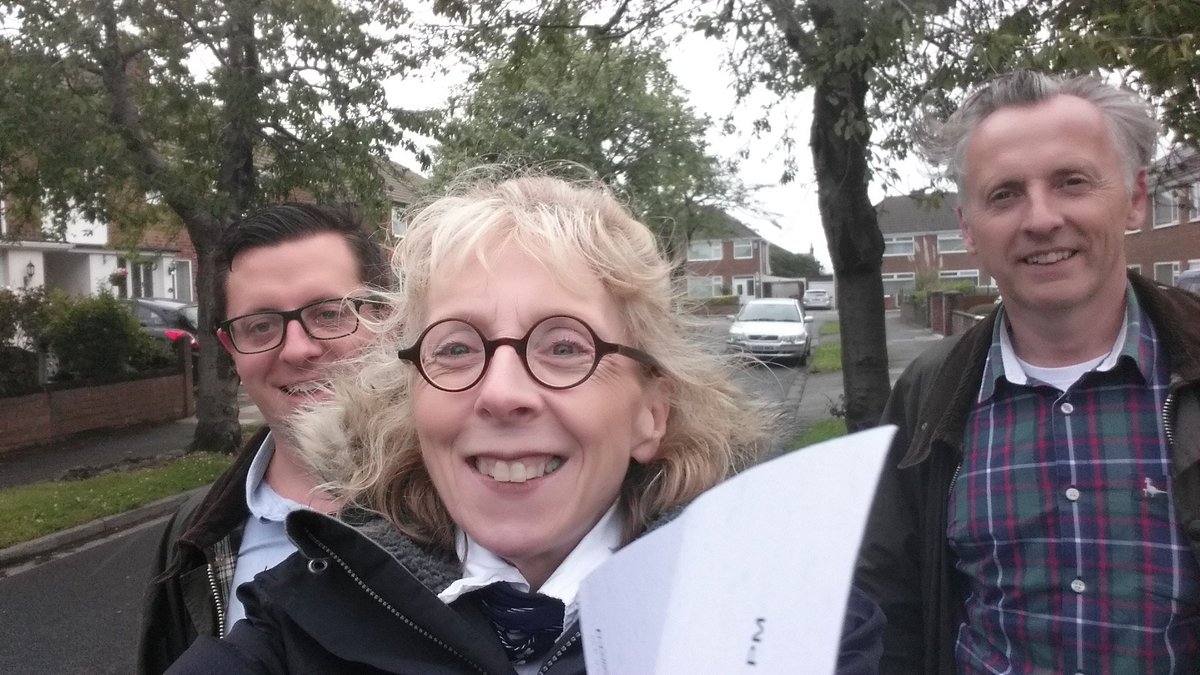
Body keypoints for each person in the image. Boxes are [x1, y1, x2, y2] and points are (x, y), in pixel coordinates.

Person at [166, 173, 885, 674]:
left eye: (564, 346)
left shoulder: (790, 629)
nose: (501, 393)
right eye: (456, 348)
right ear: (411, 402)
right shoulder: (302, 618)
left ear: (651, 412)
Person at [856, 70, 1200, 674]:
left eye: (1072, 182)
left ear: (1136, 197)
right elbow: (891, 606)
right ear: (968, 227)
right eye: (1005, 194)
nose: (1040, 219)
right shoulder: (928, 394)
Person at [137, 203, 390, 674]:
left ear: (386, 319)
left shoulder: (470, 509)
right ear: (232, 350)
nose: (297, 349)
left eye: (329, 313)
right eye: (260, 326)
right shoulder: (194, 536)